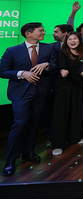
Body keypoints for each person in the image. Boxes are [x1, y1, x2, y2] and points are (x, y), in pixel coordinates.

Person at [0, 22, 57, 176]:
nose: (44, 33)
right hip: (20, 93)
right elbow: (3, 71)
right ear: (28, 33)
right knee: (20, 123)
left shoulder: (48, 48)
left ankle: (29, 152)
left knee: (34, 123)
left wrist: (47, 64)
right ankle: (10, 160)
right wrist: (21, 73)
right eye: (41, 31)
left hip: (40, 92)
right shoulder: (12, 50)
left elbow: (55, 65)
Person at [51, 32, 83, 156]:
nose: (72, 41)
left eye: (75, 39)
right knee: (61, 115)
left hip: (78, 86)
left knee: (76, 113)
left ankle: (74, 138)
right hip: (65, 87)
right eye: (69, 39)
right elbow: (62, 67)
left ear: (79, 40)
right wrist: (63, 70)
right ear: (66, 41)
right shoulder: (63, 53)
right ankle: (58, 144)